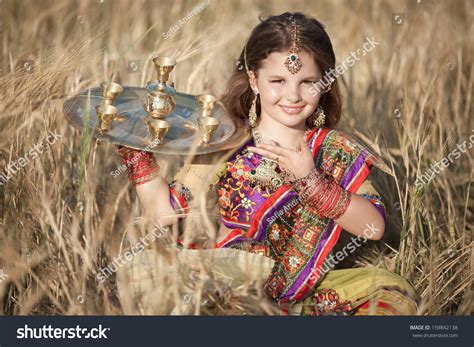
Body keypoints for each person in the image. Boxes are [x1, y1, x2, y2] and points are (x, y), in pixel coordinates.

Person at [115, 12, 418, 316]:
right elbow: (164, 214)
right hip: (227, 285)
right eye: (278, 80)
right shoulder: (226, 142)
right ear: (253, 79)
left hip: (307, 291)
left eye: (308, 82)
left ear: (325, 83)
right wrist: (135, 151)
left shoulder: (333, 149)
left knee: (393, 294)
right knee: (144, 272)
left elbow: (373, 227)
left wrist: (311, 181)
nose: (293, 95)